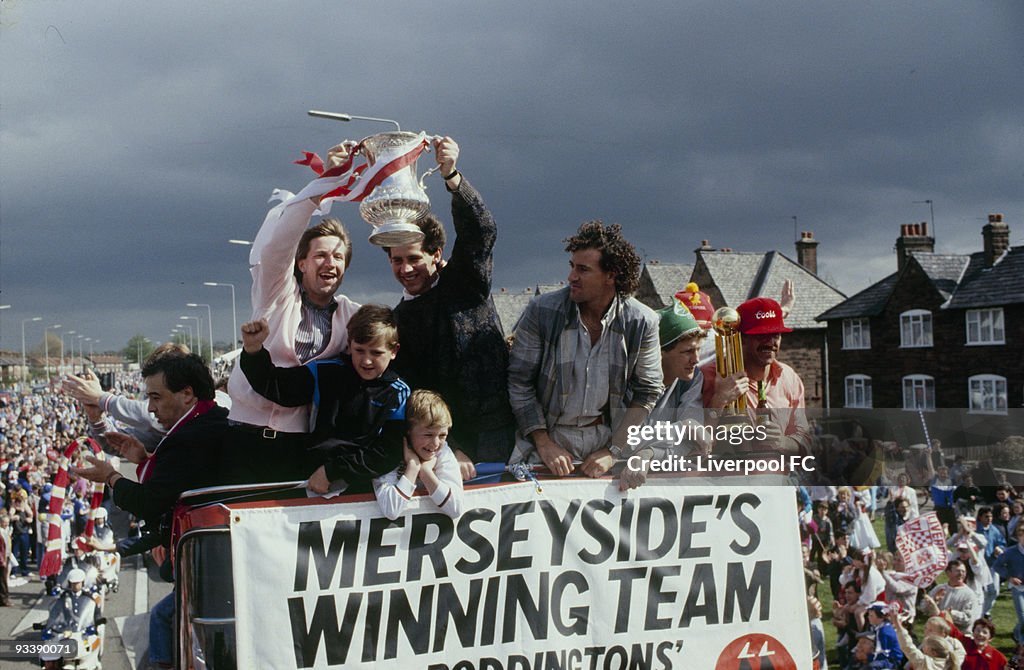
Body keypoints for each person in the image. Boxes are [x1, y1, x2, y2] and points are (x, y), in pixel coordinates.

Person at [73, 352, 228, 670]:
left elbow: (150, 503)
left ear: (187, 394)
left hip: (212, 566)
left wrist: (111, 477)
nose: (151, 408)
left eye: (156, 397)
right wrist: (144, 459)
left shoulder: (184, 438)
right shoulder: (210, 421)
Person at [225, 147, 361, 483]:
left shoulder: (351, 316)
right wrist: (322, 186)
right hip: (245, 435)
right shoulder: (276, 293)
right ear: (301, 263)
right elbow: (278, 246)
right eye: (321, 255)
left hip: (298, 444)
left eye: (339, 257)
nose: (330, 263)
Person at [382, 137, 515, 479]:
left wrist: (452, 176)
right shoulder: (398, 321)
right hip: (451, 450)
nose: (405, 269)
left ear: (436, 254)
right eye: (397, 261)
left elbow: (482, 230)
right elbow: (415, 393)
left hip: (505, 433)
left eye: (414, 258)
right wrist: (450, 446)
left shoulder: (465, 282)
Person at [507, 221, 662, 480]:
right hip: (545, 437)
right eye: (572, 267)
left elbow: (647, 393)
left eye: (583, 269)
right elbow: (519, 381)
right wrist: (543, 443)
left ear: (610, 276)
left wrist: (613, 450)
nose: (571, 277)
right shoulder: (542, 311)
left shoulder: (642, 321)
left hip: (608, 436)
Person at [239, 305, 409, 494]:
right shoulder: (325, 372)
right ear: (349, 344)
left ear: (394, 351)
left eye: (376, 353)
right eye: (359, 350)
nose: (366, 361)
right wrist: (253, 351)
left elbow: (389, 453)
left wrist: (331, 471)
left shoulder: (399, 392)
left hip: (365, 490)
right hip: (312, 483)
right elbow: (277, 386)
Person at [700, 296, 811, 455]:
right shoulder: (708, 377)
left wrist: (782, 442)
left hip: (777, 477)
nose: (771, 342)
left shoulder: (789, 378)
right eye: (761, 335)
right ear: (741, 338)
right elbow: (690, 444)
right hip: (726, 477)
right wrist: (719, 401)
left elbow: (804, 440)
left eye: (776, 335)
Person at [619, 299, 709, 490]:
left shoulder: (692, 378)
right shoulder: (629, 381)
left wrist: (649, 454)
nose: (696, 359)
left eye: (698, 349)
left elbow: (692, 443)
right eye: (687, 351)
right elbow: (622, 442)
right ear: (659, 352)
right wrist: (682, 427)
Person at [373, 390, 464, 520]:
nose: (435, 444)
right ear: (408, 431)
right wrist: (413, 467)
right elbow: (391, 509)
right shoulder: (387, 450)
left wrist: (426, 472)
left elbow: (456, 509)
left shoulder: (443, 451)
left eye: (442, 435)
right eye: (428, 435)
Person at [921, 559, 983, 634]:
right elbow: (923, 609)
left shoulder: (969, 594)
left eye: (963, 571)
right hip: (936, 633)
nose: (961, 574)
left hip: (958, 635)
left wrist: (951, 614)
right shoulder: (939, 589)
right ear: (948, 573)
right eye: (957, 571)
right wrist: (934, 601)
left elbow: (969, 618)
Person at [993, 522, 1024, 644]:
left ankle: (1017, 633)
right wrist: (1009, 577)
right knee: (1022, 616)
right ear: (1019, 536)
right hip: (1018, 589)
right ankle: (1021, 645)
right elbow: (997, 566)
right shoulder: (1010, 552)